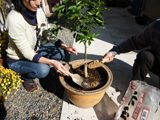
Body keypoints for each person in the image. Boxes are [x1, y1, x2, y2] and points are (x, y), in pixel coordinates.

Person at [5, 0, 77, 92]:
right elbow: (27, 53)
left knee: (62, 52)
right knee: (43, 69)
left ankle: (39, 63)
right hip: (18, 60)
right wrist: (53, 62)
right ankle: (25, 76)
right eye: (34, 0)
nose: (38, 3)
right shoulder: (14, 19)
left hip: (35, 50)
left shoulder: (38, 11)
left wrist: (64, 46)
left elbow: (47, 32)